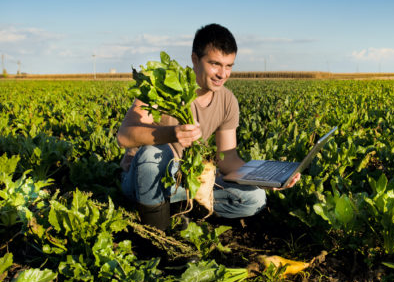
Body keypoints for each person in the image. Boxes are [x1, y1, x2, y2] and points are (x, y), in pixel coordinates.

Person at [117, 23, 300, 230]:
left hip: (187, 181)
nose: (222, 74)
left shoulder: (228, 100)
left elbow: (228, 159)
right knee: (154, 154)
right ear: (195, 60)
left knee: (254, 198)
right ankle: (158, 237)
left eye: (229, 66)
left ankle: (178, 210)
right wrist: (172, 134)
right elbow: (124, 136)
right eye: (215, 64)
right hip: (144, 179)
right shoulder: (163, 86)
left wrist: (269, 178)